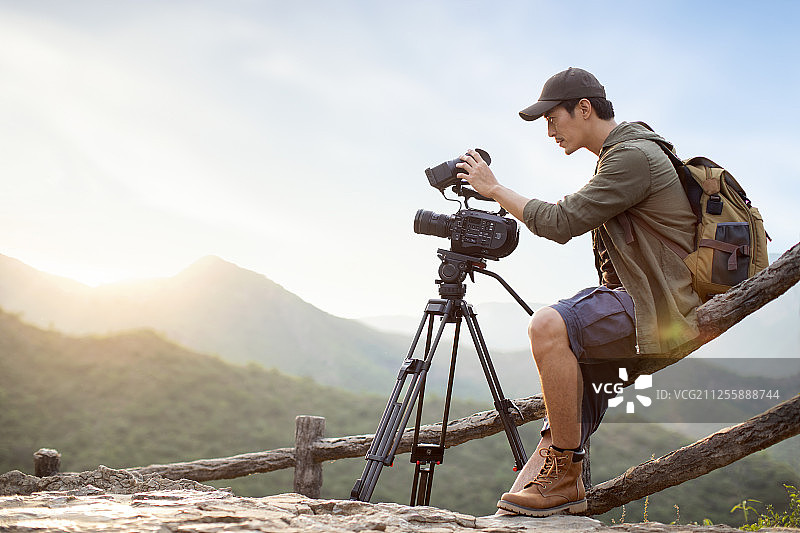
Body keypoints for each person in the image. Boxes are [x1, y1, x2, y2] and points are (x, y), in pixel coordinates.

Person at [456, 67, 702, 517]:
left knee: (549, 325)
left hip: (659, 304)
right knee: (557, 425)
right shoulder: (624, 153)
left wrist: (493, 189)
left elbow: (560, 222)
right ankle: (554, 480)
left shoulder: (631, 157)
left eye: (553, 118)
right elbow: (565, 215)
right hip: (648, 296)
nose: (549, 130)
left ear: (584, 109)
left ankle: (565, 474)